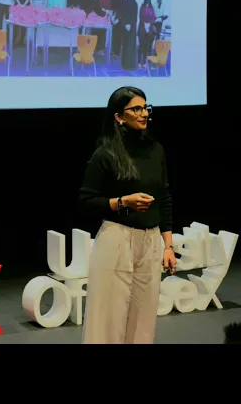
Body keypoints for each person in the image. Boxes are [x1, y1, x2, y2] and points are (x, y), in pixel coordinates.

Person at [78, 86, 177, 344]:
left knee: (143, 322)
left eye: (146, 108)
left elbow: (164, 198)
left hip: (151, 241)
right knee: (108, 322)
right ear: (119, 116)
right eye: (136, 109)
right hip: (118, 239)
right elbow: (87, 202)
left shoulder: (155, 150)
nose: (144, 114)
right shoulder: (105, 154)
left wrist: (168, 246)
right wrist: (123, 202)